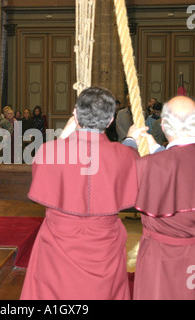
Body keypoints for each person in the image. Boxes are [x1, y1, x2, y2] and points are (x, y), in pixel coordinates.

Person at [20, 87, 139, 300]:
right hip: (105, 245)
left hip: (58, 243)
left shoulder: (50, 151)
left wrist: (64, 135)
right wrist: (130, 140)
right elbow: (132, 159)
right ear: (111, 120)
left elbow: (43, 161)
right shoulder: (124, 155)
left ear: (75, 114)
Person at [124, 96, 195, 300]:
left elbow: (118, 176)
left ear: (164, 124)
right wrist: (157, 149)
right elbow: (186, 168)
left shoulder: (151, 165)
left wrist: (130, 141)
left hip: (163, 257)